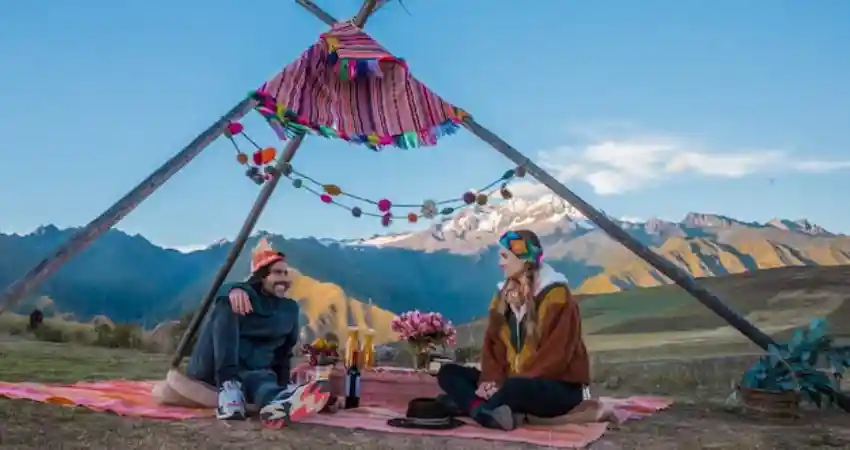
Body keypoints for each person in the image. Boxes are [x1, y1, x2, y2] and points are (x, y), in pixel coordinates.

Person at [436, 229, 591, 431]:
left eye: (504, 256)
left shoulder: (557, 297)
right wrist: (490, 382)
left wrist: (506, 385)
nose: (500, 263)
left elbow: (556, 356)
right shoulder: (502, 297)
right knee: (448, 373)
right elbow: (494, 347)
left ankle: (474, 406)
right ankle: (486, 410)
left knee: (516, 388)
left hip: (556, 386)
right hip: (509, 381)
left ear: (523, 259)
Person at [186, 238, 330, 424]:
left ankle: (278, 403)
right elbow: (220, 291)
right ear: (262, 277)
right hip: (215, 366)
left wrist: (283, 383)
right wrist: (232, 290)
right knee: (225, 305)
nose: (284, 279)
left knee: (263, 383)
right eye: (277, 273)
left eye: (286, 273)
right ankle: (227, 388)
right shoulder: (242, 296)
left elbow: (283, 353)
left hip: (252, 371)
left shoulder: (289, 309)